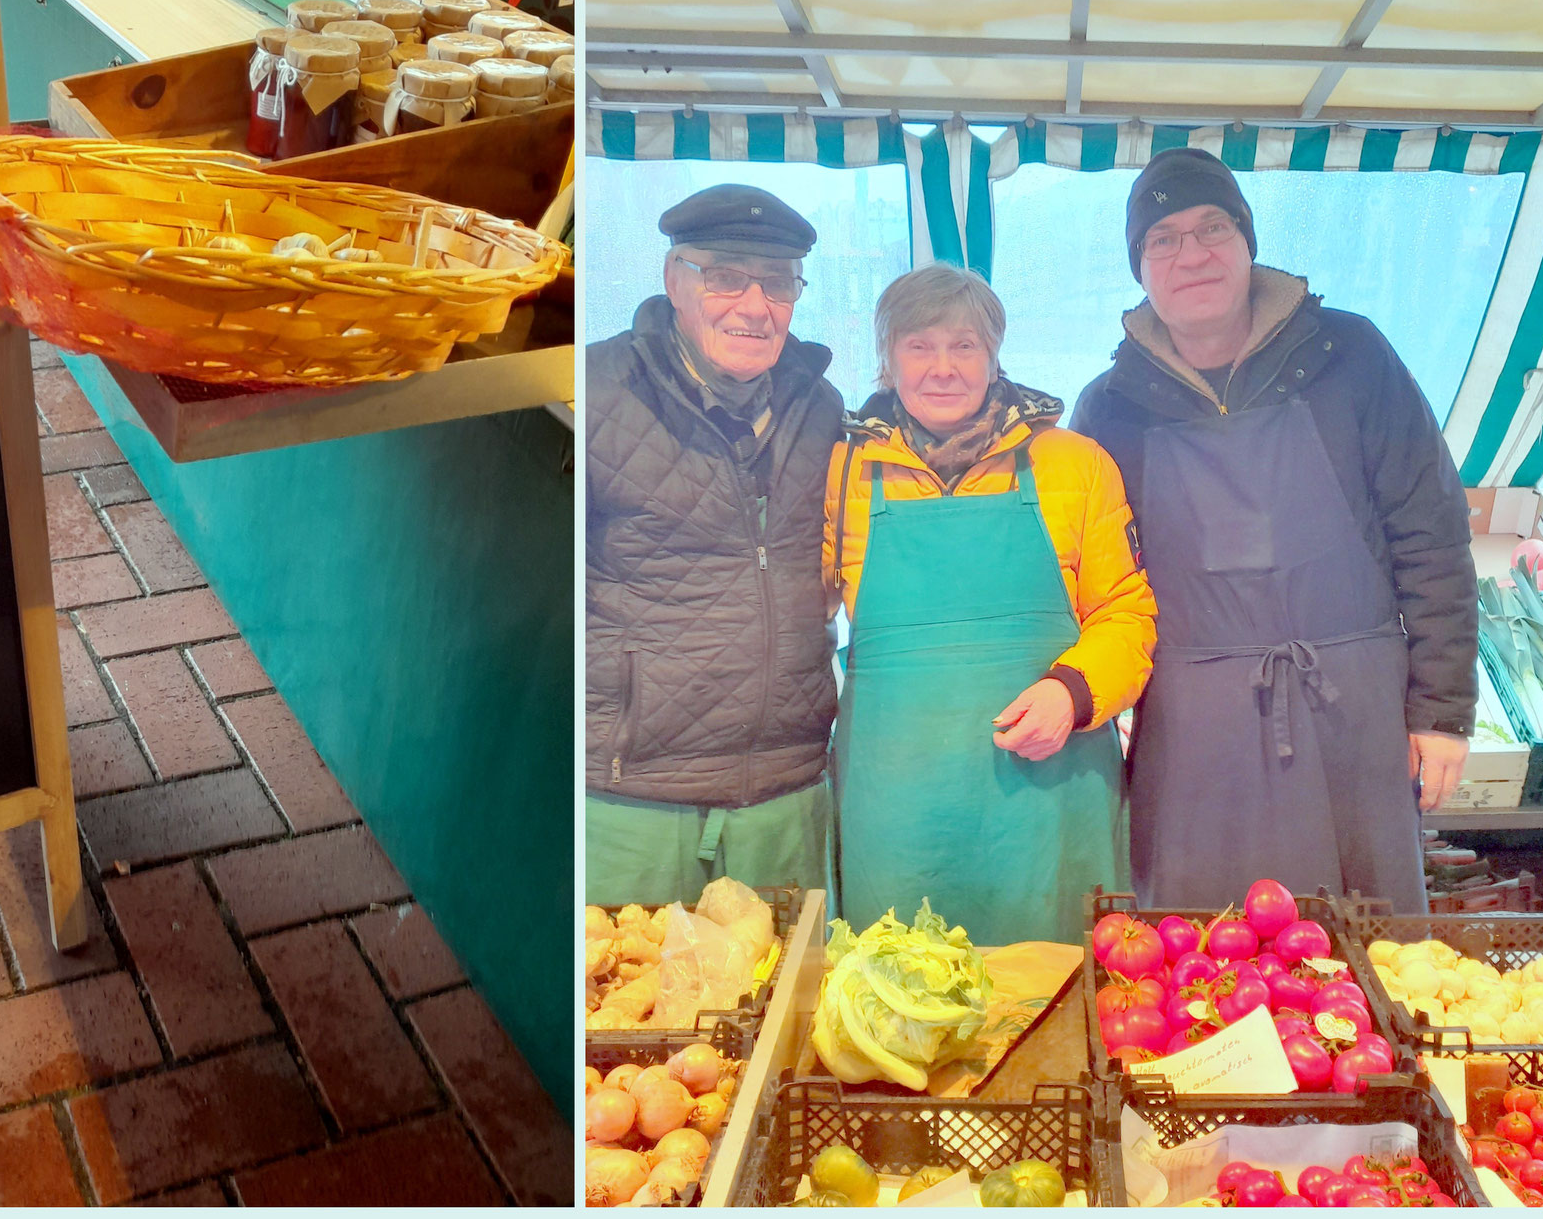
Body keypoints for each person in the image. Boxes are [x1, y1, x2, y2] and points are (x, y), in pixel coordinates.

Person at [1070, 148, 1476, 915]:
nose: (1191, 253)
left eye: (1212, 227)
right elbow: (1097, 588)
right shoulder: (1109, 407)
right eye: (1163, 239)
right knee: (1203, 956)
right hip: (1193, 733)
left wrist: (1442, 711)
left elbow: (1432, 534)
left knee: (1364, 958)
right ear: (1140, 267)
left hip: (1353, 716)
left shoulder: (1350, 355)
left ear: (1247, 240)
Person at [824, 262, 1155, 944]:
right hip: (896, 811)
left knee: (1057, 1007)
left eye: (964, 345)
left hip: (1048, 805)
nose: (942, 368)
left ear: (994, 355)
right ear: (888, 359)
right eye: (919, 346)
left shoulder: (1073, 463)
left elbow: (1126, 612)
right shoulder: (844, 473)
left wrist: (1073, 693)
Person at [585, 184, 843, 904]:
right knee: (622, 1005)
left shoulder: (822, 408)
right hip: (631, 800)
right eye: (726, 276)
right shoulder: (597, 389)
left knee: (790, 1011)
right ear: (675, 281)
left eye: (780, 281)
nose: (755, 305)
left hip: (786, 796)